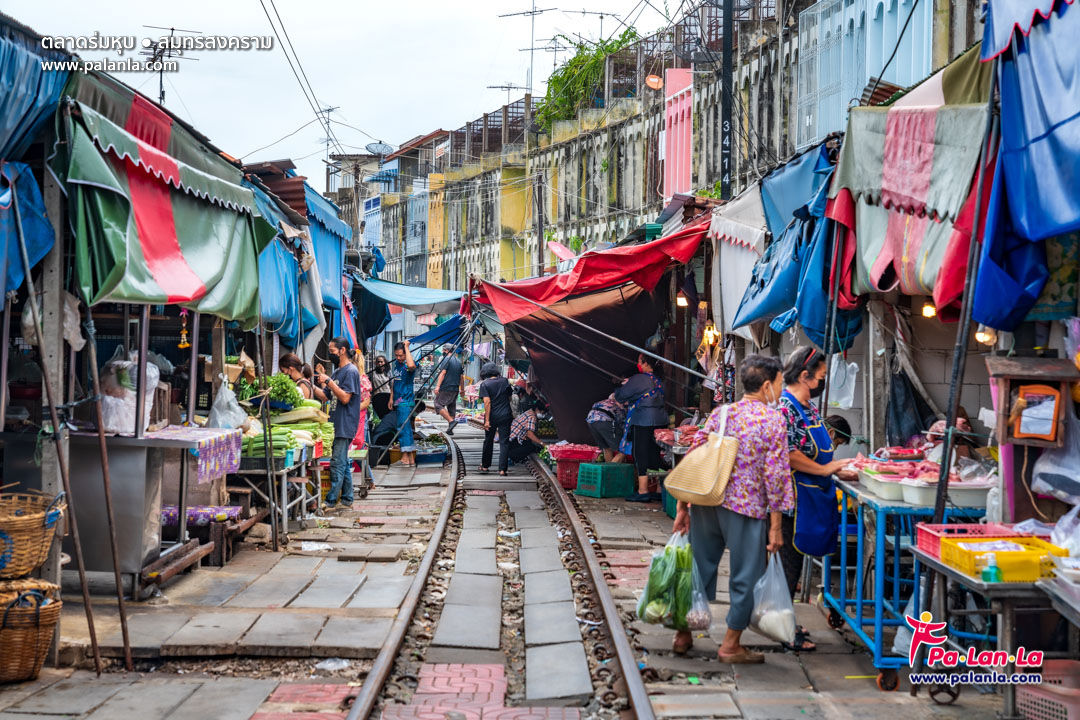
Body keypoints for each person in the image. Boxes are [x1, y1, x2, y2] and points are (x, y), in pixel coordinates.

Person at [671, 354, 792, 663]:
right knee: (746, 576)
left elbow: (695, 457)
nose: (780, 388)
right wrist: (776, 526)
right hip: (746, 508)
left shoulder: (721, 413)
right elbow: (775, 475)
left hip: (707, 501)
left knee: (697, 567)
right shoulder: (773, 419)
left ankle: (683, 633)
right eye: (779, 383)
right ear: (767, 385)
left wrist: (683, 506)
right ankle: (730, 644)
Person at [777, 346, 848, 652]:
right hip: (794, 499)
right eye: (819, 377)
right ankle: (784, 630)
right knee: (787, 567)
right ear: (804, 377)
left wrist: (839, 470)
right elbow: (790, 455)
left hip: (812, 496)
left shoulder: (808, 407)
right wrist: (825, 468)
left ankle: (786, 622)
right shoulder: (787, 408)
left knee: (792, 565)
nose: (822, 382)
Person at [313, 337, 363, 510]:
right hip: (335, 423)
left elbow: (345, 397)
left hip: (345, 423)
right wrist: (311, 384)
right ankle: (348, 498)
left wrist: (328, 381)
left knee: (337, 463)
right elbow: (326, 396)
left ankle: (331, 500)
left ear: (342, 351)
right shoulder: (336, 372)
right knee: (342, 461)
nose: (330, 355)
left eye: (333, 351)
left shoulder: (350, 372)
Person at [615, 355, 667, 503]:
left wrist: (623, 385)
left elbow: (621, 396)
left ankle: (643, 491)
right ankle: (658, 489)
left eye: (639, 361)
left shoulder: (639, 378)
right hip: (661, 419)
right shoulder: (661, 380)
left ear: (645, 363)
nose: (638, 364)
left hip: (643, 420)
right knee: (656, 454)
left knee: (641, 453)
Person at [587, 371, 632, 463]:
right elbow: (624, 424)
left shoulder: (614, 396)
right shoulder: (626, 404)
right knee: (624, 449)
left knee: (606, 448)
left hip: (591, 418)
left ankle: (608, 470)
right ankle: (610, 474)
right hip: (605, 419)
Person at [478, 362, 513, 475]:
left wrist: (487, 420)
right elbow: (509, 397)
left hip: (492, 416)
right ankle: (502, 469)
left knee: (488, 440)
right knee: (504, 442)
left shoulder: (485, 384)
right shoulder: (504, 381)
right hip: (505, 415)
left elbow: (487, 402)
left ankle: (485, 466)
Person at [390, 341, 418, 467]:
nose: (399, 358)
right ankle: (410, 457)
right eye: (396, 355)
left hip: (405, 401)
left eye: (401, 355)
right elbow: (394, 382)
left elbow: (412, 366)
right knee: (404, 427)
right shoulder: (397, 364)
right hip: (397, 400)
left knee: (403, 428)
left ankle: (405, 456)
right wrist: (391, 398)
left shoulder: (408, 364)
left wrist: (407, 348)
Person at [433, 344, 463, 435]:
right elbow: (461, 377)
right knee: (451, 407)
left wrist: (437, 386)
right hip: (455, 388)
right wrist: (462, 389)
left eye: (443, 350)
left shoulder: (446, 359)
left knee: (438, 404)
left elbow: (443, 373)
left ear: (446, 350)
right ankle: (450, 429)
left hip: (446, 387)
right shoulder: (458, 361)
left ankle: (451, 421)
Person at [507, 396, 545, 463]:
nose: (542, 414)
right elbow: (530, 435)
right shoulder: (531, 417)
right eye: (541, 412)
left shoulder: (529, 412)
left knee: (531, 445)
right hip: (512, 441)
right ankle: (511, 456)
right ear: (536, 409)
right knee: (532, 448)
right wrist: (543, 444)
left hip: (510, 439)